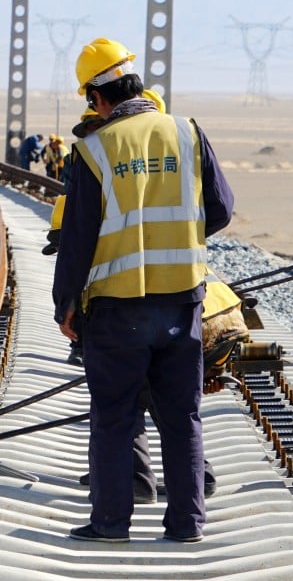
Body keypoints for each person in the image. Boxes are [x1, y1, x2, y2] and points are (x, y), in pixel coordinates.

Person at [54, 37, 234, 544]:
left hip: (117, 306)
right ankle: (187, 524)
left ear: (96, 97)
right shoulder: (187, 132)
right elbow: (220, 209)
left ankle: (111, 523)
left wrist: (65, 303)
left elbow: (77, 238)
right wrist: (177, 239)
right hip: (183, 300)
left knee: (115, 415)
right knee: (181, 416)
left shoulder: (94, 149)